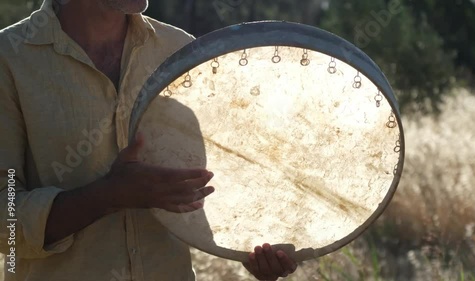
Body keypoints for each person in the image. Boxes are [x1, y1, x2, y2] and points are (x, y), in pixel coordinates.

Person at [0, 0, 298, 280]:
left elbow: (217, 181)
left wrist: (252, 243)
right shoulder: (10, 59)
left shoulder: (180, 50)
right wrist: (108, 196)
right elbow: (5, 227)